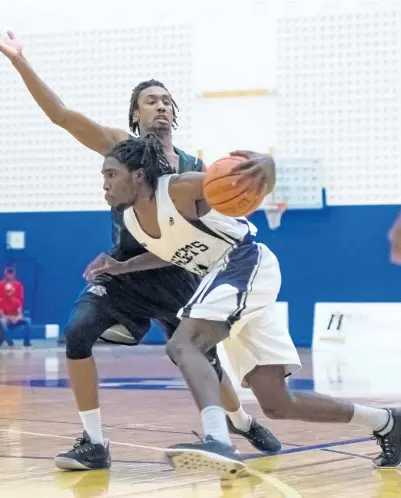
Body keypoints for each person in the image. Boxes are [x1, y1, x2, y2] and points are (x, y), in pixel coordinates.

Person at [0, 22, 281, 470]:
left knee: (204, 363)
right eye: (150, 100)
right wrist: (18, 58)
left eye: (166, 100)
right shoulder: (122, 149)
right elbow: (61, 115)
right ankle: (94, 443)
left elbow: (227, 215)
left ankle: (238, 419)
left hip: (180, 270)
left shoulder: (198, 168)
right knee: (77, 332)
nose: (160, 105)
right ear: (135, 116)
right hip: (124, 267)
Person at [102, 134, 401, 479]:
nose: (105, 184)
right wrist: (124, 267)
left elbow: (241, 178)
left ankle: (217, 439)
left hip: (242, 262)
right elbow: (169, 249)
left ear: (138, 175)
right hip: (233, 278)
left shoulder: (179, 188)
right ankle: (387, 421)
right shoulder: (132, 222)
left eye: (111, 174)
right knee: (277, 403)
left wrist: (269, 166)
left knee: (183, 344)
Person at [0, 283, 32, 348]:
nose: (8, 292)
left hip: (15, 320)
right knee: (3, 321)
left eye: (9, 291)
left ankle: (26, 342)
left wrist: (17, 318)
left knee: (28, 320)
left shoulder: (17, 301)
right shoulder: (0, 301)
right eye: (7, 291)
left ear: (12, 291)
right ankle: (10, 343)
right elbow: (1, 315)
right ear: (5, 291)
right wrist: (10, 318)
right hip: (6, 319)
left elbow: (20, 314)